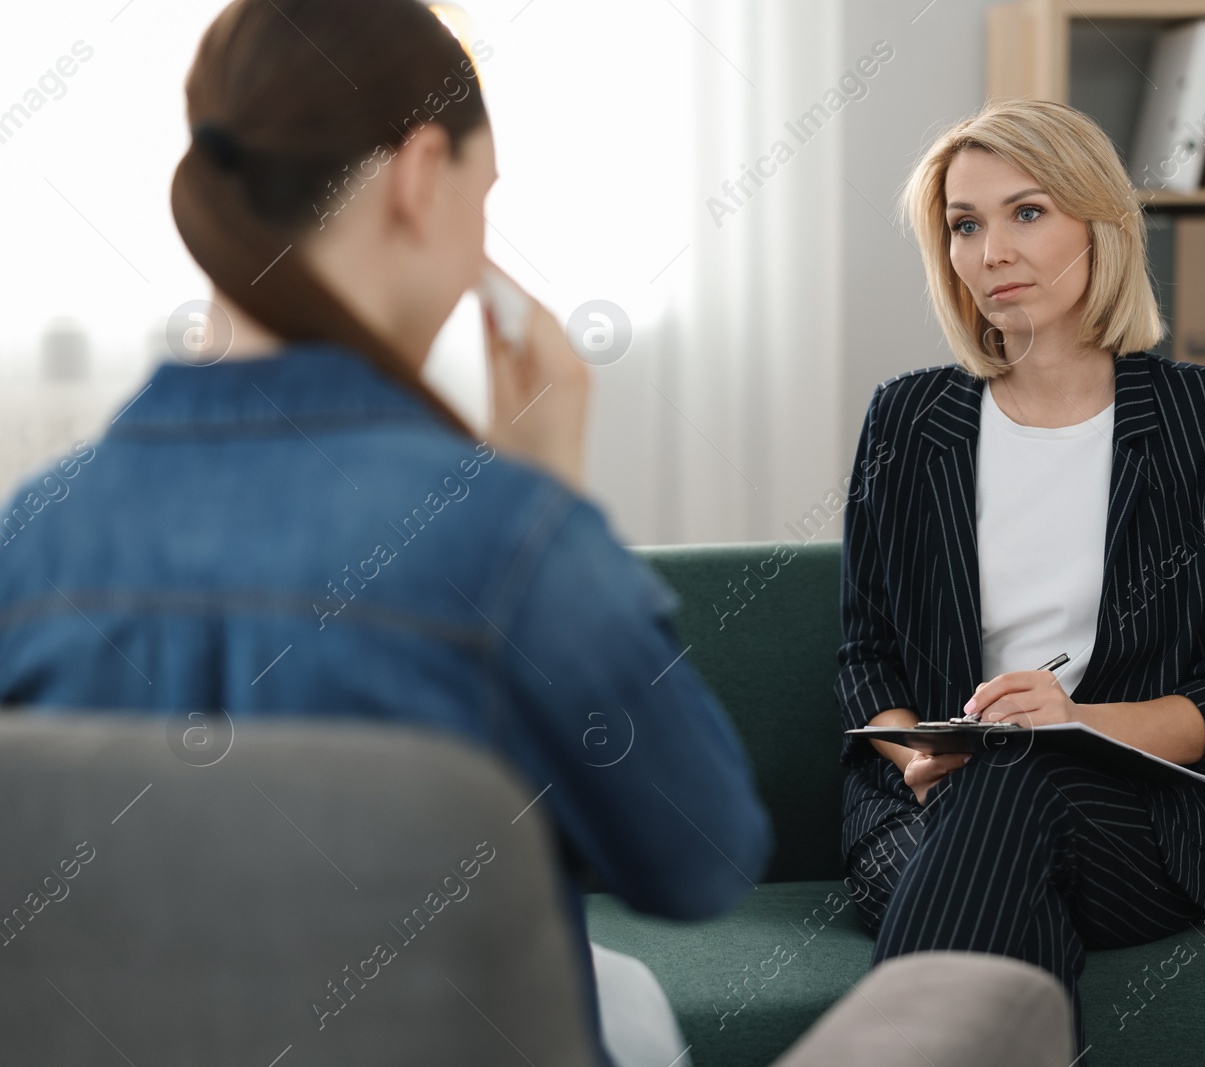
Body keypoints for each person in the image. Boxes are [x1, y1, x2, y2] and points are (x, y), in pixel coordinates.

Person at [0, 2, 770, 1065]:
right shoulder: (505, 538)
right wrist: (547, 485)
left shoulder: (31, 540)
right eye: (482, 199)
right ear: (417, 175)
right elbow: (702, 856)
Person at [835, 99, 1205, 1056]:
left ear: (1101, 223)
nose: (992, 249)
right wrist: (913, 756)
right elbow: (864, 653)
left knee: (1021, 783)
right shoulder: (908, 420)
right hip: (927, 806)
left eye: (1027, 212)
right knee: (1003, 850)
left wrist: (1072, 721)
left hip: (1133, 825)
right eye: (965, 224)